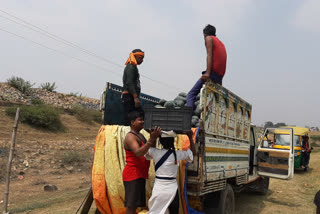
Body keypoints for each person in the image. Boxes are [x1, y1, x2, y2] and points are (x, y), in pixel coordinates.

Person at [146, 131, 196, 214]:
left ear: (161, 142)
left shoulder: (155, 152)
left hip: (159, 188)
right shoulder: (177, 154)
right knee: (173, 211)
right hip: (172, 189)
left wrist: (153, 137)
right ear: (173, 141)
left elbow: (149, 150)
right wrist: (190, 138)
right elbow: (192, 154)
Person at [122, 111, 162, 214]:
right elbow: (138, 153)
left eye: (143, 119)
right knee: (131, 206)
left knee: (135, 206)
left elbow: (149, 151)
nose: (143, 122)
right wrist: (150, 140)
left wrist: (153, 138)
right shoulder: (130, 137)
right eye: (140, 120)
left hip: (139, 174)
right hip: (133, 174)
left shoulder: (140, 135)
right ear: (132, 122)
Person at [186, 24, 227, 109]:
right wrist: (220, 81)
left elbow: (209, 55)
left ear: (205, 34)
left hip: (212, 73)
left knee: (191, 94)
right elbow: (222, 60)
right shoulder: (222, 43)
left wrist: (207, 73)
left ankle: (188, 117)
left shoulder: (209, 38)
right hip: (219, 76)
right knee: (210, 99)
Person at [122, 49, 145, 125]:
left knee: (137, 116)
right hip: (129, 96)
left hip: (131, 96)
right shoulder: (131, 67)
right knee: (132, 117)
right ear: (135, 57)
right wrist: (135, 97)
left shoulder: (134, 67)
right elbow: (129, 83)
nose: (142, 60)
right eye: (140, 58)